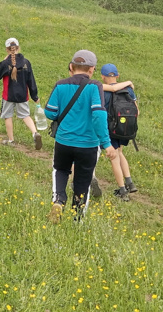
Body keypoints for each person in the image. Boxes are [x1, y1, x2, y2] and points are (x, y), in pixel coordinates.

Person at [44, 50, 116, 223]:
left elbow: (50, 112)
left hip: (63, 141)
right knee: (83, 179)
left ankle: (59, 201)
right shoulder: (94, 86)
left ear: (71, 66)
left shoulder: (60, 85)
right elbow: (98, 115)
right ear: (91, 70)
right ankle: (77, 218)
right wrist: (107, 144)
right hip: (88, 144)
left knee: (60, 170)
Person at [0, 37, 42, 150]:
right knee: (25, 115)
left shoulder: (5, 63)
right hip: (22, 95)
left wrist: (3, 62)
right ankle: (35, 133)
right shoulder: (26, 63)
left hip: (8, 95)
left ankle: (11, 140)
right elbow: (31, 80)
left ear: (7, 49)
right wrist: (34, 96)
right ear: (18, 48)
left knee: (7, 116)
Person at [100, 63, 139, 200]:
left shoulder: (103, 90)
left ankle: (122, 191)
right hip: (125, 128)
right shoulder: (128, 90)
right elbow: (137, 111)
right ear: (117, 76)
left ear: (102, 76)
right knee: (120, 152)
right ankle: (130, 182)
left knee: (114, 157)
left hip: (110, 128)